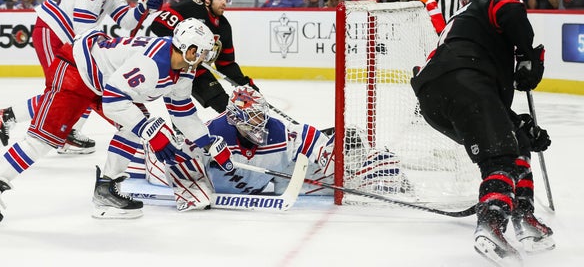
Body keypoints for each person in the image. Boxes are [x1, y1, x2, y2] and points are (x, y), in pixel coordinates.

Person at [0, 18, 232, 227]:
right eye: (203, 52)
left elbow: (182, 111)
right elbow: (115, 99)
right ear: (189, 48)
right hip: (77, 70)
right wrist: (152, 133)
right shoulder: (153, 63)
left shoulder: (184, 70)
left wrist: (207, 143)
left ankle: (106, 188)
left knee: (137, 126)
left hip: (103, 80)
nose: (205, 59)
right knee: (44, 139)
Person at [411, 0, 554, 266]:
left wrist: (520, 127)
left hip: (432, 97)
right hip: (465, 80)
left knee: (512, 141)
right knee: (499, 158)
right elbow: (510, 9)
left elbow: (484, 105)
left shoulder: (460, 19)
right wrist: (527, 55)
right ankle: (491, 223)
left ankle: (524, 218)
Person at [0, 0, 165, 155]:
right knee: (63, 92)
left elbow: (126, 22)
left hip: (70, 41)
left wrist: (144, 6)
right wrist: (100, 50)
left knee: (84, 87)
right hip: (55, 34)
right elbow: (82, 25)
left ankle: (68, 132)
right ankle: (6, 116)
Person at [142, 86, 403, 211]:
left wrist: (330, 153)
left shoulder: (276, 130)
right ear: (235, 118)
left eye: (260, 115)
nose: (260, 122)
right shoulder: (211, 133)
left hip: (261, 180)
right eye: (252, 117)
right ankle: (139, 151)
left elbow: (308, 136)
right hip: (212, 183)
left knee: (340, 175)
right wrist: (188, 178)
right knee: (158, 168)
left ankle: (381, 169)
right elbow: (177, 159)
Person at [149, 0, 257, 114]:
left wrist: (246, 85)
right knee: (179, 103)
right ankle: (179, 130)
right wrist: (184, 49)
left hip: (198, 70)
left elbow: (226, 64)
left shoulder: (223, 27)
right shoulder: (191, 7)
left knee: (224, 105)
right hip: (178, 67)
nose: (224, 2)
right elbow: (158, 25)